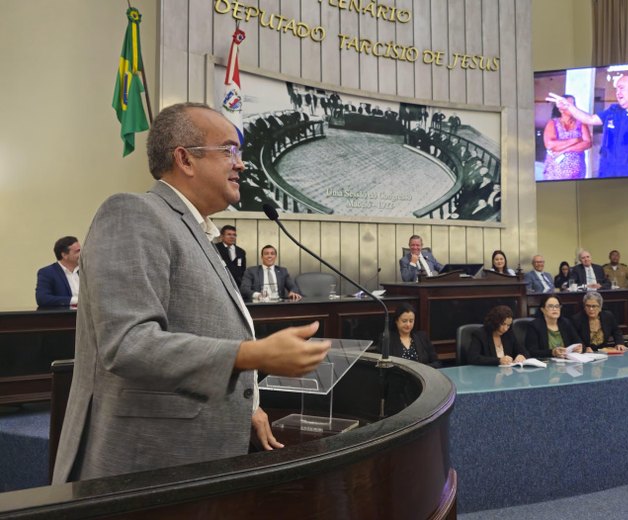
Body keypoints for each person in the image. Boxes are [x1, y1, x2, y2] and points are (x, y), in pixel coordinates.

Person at [53, 102, 331, 483]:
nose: (241, 163)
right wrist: (251, 355)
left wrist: (248, 407)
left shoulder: (197, 231)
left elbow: (205, 327)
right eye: (229, 150)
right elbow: (128, 344)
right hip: (146, 470)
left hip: (198, 461)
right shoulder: (133, 213)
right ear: (185, 159)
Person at [547, 74, 628, 177]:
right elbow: (590, 119)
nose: (617, 92)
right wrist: (569, 106)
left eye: (621, 88)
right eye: (616, 89)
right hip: (608, 175)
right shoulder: (613, 111)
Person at [542, 95, 591, 180]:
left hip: (577, 172)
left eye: (573, 104)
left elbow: (588, 143)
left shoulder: (581, 123)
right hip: (554, 172)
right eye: (568, 104)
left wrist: (565, 149)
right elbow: (550, 145)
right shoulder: (552, 123)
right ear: (561, 109)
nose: (572, 107)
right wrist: (575, 140)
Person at [386, 302, 440, 367]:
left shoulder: (422, 337)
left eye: (411, 321)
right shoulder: (387, 339)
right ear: (396, 321)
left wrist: (422, 369)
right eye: (404, 321)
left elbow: (437, 363)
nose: (408, 324)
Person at [35, 236, 81, 308]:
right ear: (64, 255)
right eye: (78, 251)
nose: (82, 254)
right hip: (64, 317)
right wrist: (75, 300)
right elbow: (42, 298)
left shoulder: (86, 271)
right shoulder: (47, 273)